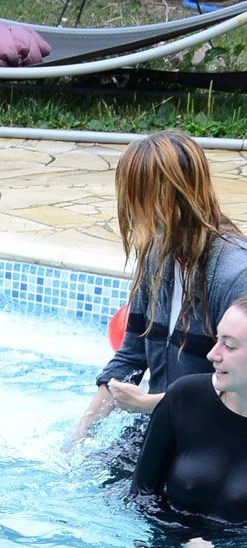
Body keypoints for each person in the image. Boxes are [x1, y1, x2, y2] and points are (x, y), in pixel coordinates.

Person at [71, 129, 247, 445]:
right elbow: (131, 355)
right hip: (163, 424)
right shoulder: (157, 255)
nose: (129, 209)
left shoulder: (235, 274)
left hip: (216, 439)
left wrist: (149, 404)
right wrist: (81, 433)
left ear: (170, 197)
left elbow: (239, 384)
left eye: (136, 197)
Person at [131, 296, 247, 548]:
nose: (212, 354)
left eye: (229, 345)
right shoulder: (185, 397)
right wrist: (186, 536)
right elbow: (141, 491)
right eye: (217, 339)